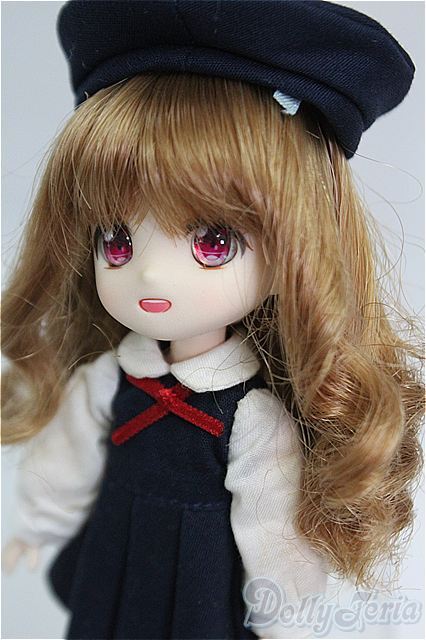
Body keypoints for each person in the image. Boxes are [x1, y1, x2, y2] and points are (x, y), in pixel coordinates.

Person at [2, 2, 424, 638]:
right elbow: (67, 464)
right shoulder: (109, 380)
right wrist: (37, 527)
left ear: (295, 252)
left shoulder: (250, 417)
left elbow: (269, 526)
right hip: (115, 557)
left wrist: (284, 614)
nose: (149, 275)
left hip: (203, 583)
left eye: (212, 242)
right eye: (117, 241)